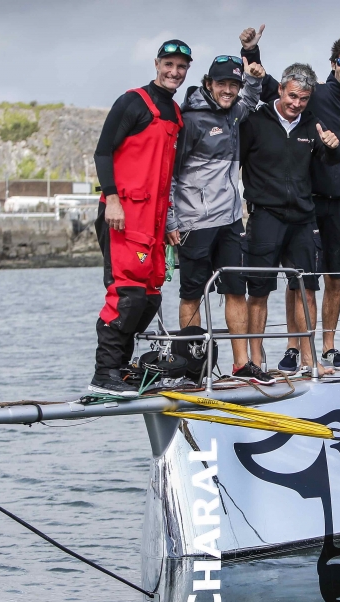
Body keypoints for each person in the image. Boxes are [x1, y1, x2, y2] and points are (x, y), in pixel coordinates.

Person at [240, 27, 340, 373]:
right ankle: (267, 358)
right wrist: (250, 50)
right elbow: (261, 80)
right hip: (282, 207)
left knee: (323, 281)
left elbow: (335, 156)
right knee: (275, 285)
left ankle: (320, 354)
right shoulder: (270, 114)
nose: (296, 103)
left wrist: (334, 147)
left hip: (323, 206)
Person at [166, 52, 276, 386]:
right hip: (194, 222)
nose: (228, 90)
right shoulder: (191, 119)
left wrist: (254, 77)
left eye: (233, 83)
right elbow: (169, 174)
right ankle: (190, 367)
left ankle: (242, 364)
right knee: (192, 294)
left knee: (235, 291)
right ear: (209, 84)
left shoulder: (233, 113)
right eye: (222, 84)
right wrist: (171, 220)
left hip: (230, 220)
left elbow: (249, 98)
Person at [89, 39, 191, 397]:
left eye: (181, 67)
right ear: (157, 64)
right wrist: (112, 199)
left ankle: (122, 370)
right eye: (168, 64)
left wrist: (168, 226)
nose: (174, 72)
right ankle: (104, 373)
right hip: (123, 215)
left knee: (149, 297)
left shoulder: (175, 114)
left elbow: (166, 177)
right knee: (126, 295)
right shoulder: (132, 102)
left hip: (154, 222)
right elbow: (103, 152)